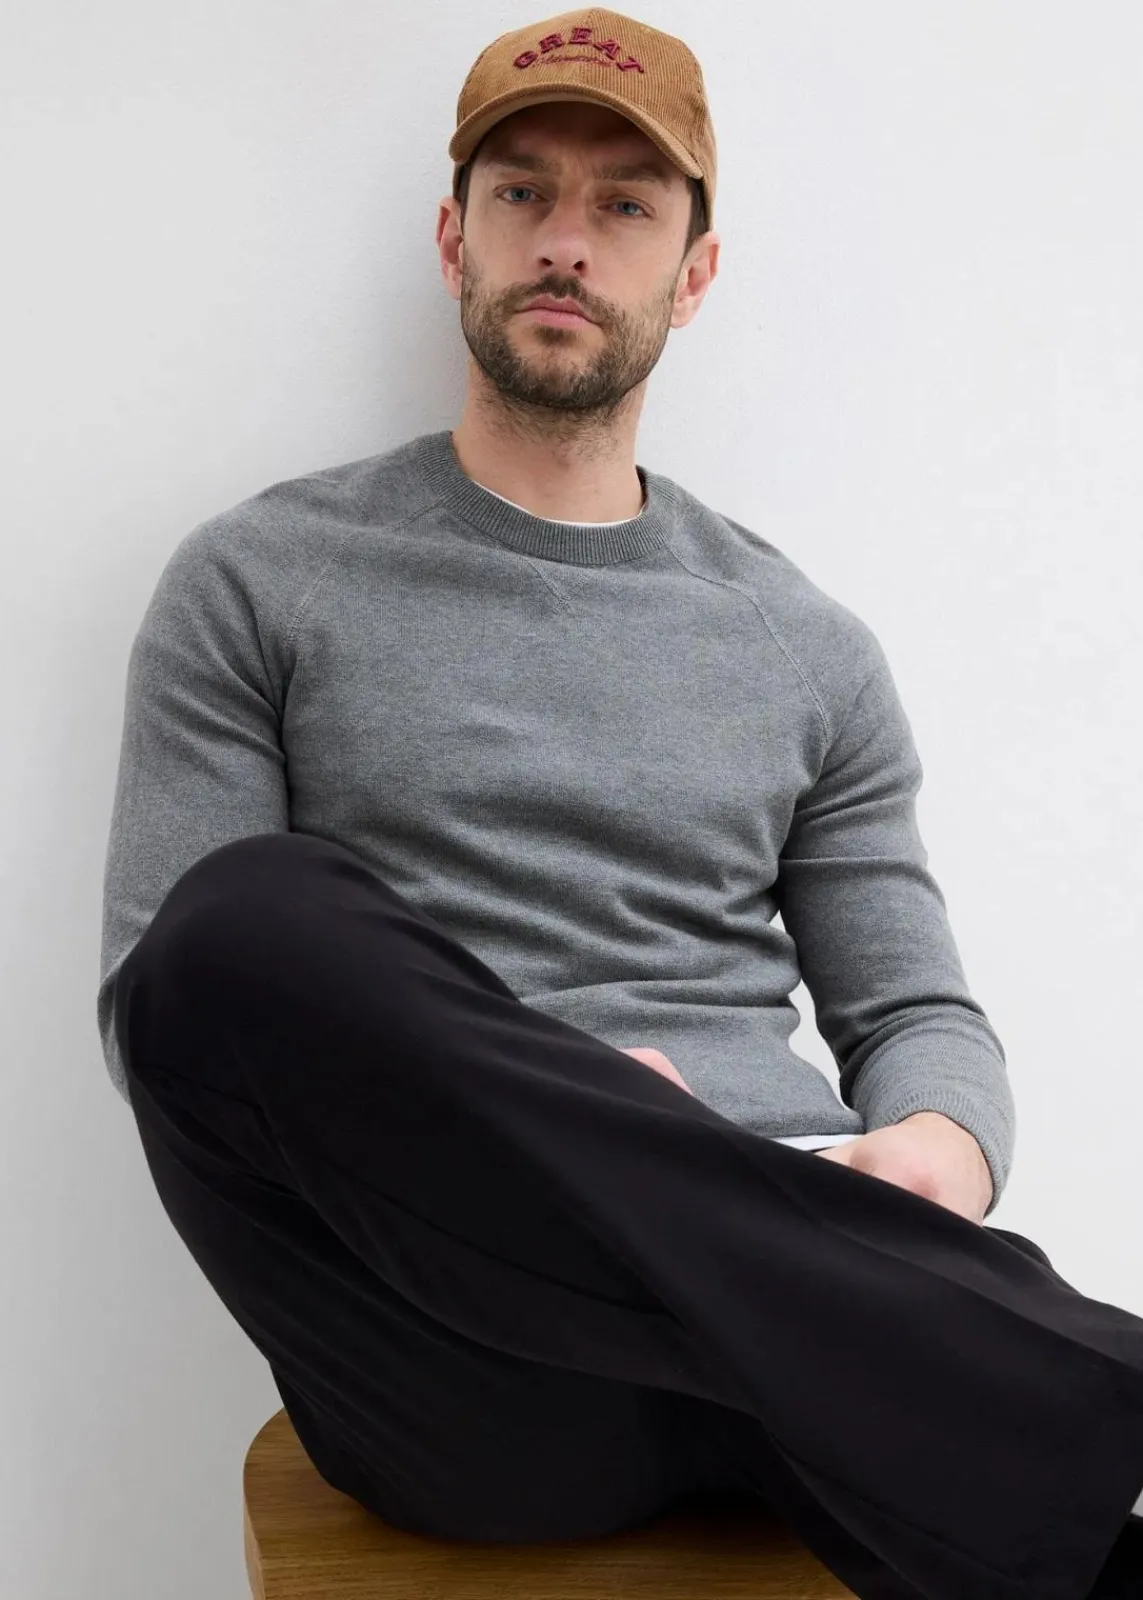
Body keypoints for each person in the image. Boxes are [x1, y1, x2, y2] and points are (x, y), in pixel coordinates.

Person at [98, 9, 1143, 1596]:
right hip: (468, 1356)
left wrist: (937, 1148)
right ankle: (1044, 1380)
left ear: (692, 272)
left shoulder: (804, 645)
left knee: (852, 1296)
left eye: (625, 205)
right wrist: (570, 1124)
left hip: (799, 1317)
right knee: (233, 926)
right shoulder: (258, 579)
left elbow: (914, 1010)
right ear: (455, 239)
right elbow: (175, 1020)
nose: (565, 242)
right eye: (521, 192)